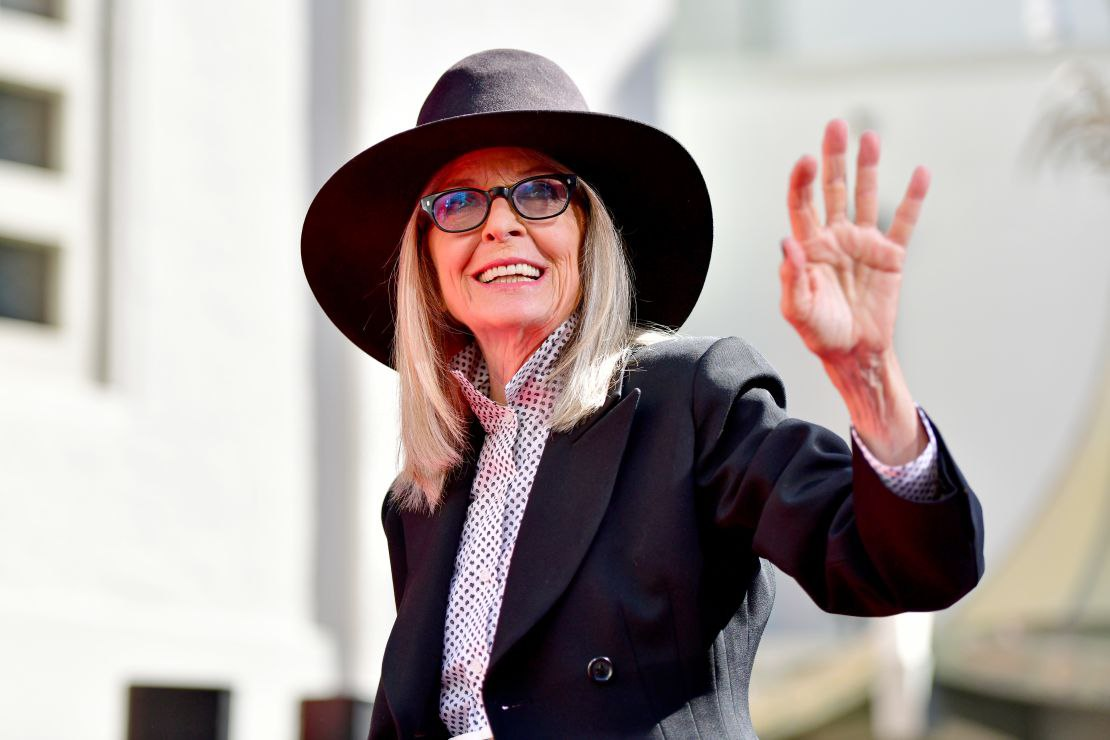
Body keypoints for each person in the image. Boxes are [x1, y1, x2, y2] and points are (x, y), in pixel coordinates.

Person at [302, 49, 984, 740]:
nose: (500, 226)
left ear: (588, 232)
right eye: (458, 203)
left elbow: (905, 568)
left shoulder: (691, 401)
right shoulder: (420, 498)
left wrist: (869, 376)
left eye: (540, 193)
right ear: (426, 259)